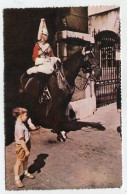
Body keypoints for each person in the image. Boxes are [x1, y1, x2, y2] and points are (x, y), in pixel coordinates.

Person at [22, 18, 61, 100]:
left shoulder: (48, 45)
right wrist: (43, 60)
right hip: (41, 64)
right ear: (42, 36)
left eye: (47, 35)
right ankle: (41, 94)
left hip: (49, 64)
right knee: (42, 76)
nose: (47, 37)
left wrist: (55, 59)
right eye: (46, 35)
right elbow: (34, 58)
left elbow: (52, 55)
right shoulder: (37, 46)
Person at [12, 107, 36, 188]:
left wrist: (30, 123)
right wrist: (26, 150)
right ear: (20, 116)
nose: (27, 116)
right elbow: (21, 140)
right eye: (26, 115)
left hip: (26, 144)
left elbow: (31, 129)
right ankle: (17, 179)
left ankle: (25, 172)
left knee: (25, 159)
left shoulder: (22, 124)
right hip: (22, 147)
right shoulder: (18, 127)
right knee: (19, 162)